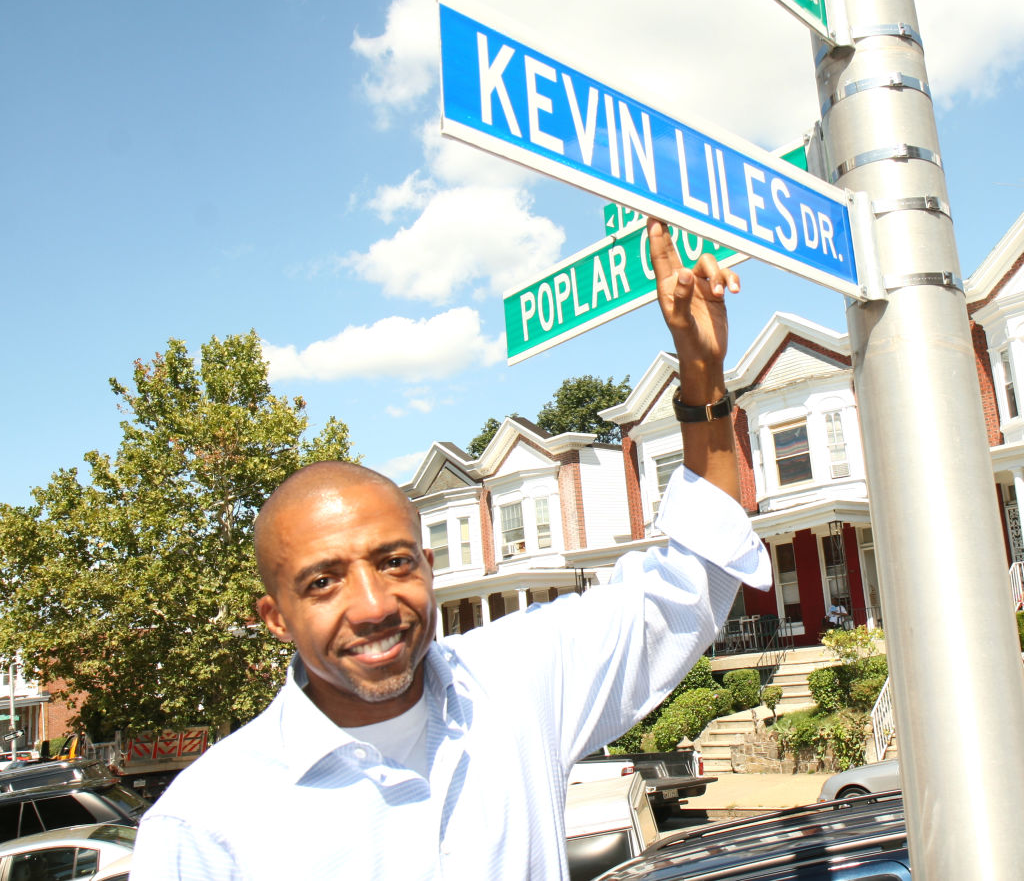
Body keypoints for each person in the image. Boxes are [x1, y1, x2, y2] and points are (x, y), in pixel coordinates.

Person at [130, 218, 772, 879]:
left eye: (394, 561)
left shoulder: (519, 682)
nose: (375, 604)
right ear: (275, 617)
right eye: (324, 582)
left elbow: (694, 573)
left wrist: (702, 375)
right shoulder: (204, 827)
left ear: (429, 565)